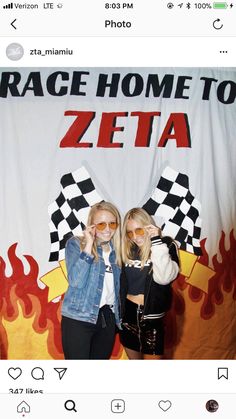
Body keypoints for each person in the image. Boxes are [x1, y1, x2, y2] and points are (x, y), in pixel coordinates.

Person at [61, 201, 122, 359]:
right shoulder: (75, 244)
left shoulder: (119, 251)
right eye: (101, 225)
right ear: (92, 226)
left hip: (107, 319)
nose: (108, 229)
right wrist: (88, 245)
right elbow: (76, 282)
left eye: (112, 224)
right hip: (78, 318)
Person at [119, 208, 179, 360]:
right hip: (128, 316)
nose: (134, 236)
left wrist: (156, 241)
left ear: (148, 226)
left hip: (153, 316)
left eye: (138, 230)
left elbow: (165, 278)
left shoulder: (166, 244)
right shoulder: (126, 248)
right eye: (129, 232)